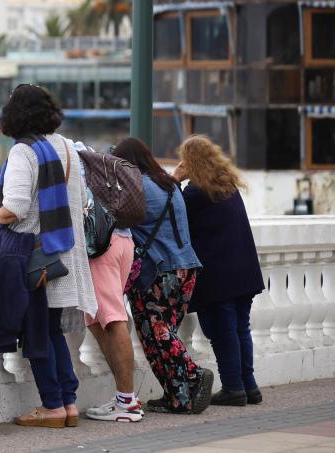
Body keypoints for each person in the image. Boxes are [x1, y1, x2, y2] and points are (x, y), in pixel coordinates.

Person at [0, 84, 96, 428]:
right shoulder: (67, 147)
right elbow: (81, 197)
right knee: (53, 330)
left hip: (34, 256)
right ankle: (67, 403)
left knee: (39, 332)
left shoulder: (24, 152)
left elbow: (16, 207)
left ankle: (53, 405)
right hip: (64, 252)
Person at [111, 137, 213, 414]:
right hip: (187, 268)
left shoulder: (138, 188)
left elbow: (113, 219)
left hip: (158, 271)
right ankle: (178, 398)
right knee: (164, 334)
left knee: (156, 334)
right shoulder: (168, 185)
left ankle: (194, 374)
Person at [173, 135, 265, 406]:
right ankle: (249, 386)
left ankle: (234, 388)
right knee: (240, 329)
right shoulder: (228, 186)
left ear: (191, 162)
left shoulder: (195, 192)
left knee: (223, 332)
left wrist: (174, 180)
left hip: (217, 277)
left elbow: (174, 216)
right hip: (243, 272)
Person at [74, 142, 143, 423]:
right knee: (96, 318)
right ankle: (123, 399)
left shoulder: (73, 159)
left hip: (102, 244)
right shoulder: (91, 154)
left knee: (113, 319)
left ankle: (127, 403)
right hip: (124, 239)